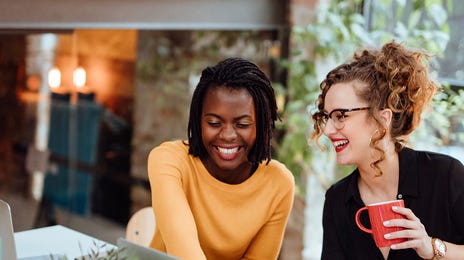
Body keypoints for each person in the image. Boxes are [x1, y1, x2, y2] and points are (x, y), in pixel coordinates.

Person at [310, 41, 464, 259]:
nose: (327, 129)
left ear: (383, 119)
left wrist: (432, 248)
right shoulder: (338, 199)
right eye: (327, 117)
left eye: (341, 115)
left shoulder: (446, 176)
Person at [147, 57, 295, 260]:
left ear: (262, 125)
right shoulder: (169, 161)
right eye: (214, 123)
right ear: (198, 120)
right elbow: (183, 249)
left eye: (242, 124)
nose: (227, 135)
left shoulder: (278, 183)